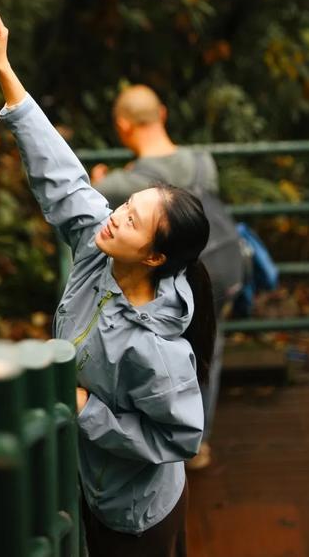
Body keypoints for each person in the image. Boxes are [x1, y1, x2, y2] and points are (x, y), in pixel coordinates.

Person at [0, 6, 216, 557]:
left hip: (133, 514)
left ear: (153, 257)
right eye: (126, 203)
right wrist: (5, 69)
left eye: (131, 220)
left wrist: (88, 412)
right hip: (88, 481)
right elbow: (63, 178)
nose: (116, 215)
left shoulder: (157, 349)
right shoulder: (96, 250)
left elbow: (182, 437)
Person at [92, 85, 222, 470]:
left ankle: (165, 439)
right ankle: (201, 441)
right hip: (218, 273)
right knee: (206, 350)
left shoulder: (122, 185)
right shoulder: (203, 161)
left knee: (163, 361)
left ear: (122, 125)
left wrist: (107, 178)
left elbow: (95, 199)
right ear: (162, 113)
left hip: (171, 281)